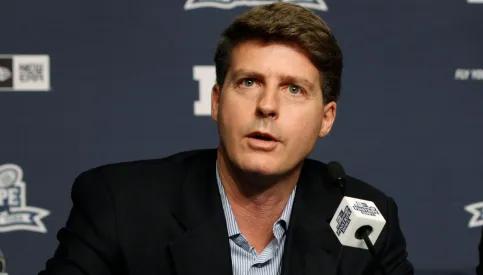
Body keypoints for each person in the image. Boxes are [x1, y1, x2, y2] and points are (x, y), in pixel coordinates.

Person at [39, 3, 413, 275]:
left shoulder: (365, 221)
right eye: (249, 82)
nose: (267, 105)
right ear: (217, 102)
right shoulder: (121, 206)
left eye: (294, 89)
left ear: (326, 119)